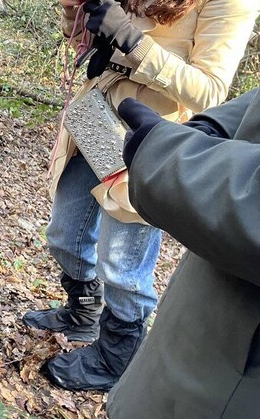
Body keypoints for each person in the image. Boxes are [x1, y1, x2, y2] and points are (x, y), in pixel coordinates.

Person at [22, 0, 260, 391]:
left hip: (145, 137)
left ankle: (116, 357)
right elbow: (88, 44)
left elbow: (210, 90)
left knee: (123, 261)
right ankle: (80, 311)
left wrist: (132, 36)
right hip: (94, 119)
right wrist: (76, 12)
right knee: (65, 232)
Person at [105, 90, 260, 417]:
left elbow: (208, 84)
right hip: (201, 333)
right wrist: (209, 127)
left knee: (123, 270)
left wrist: (174, 154)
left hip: (229, 385)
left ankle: (112, 351)